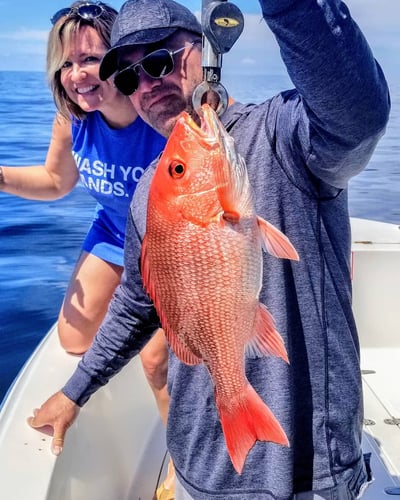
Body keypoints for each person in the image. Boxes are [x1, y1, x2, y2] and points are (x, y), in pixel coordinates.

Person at [28, 0, 390, 498]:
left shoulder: (283, 135)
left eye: (158, 60)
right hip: (199, 462)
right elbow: (137, 303)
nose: (148, 84)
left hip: (306, 467)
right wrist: (75, 392)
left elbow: (357, 114)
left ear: (204, 52)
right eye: (130, 79)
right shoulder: (150, 189)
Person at [0, 0, 172, 485]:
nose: (76, 74)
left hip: (171, 248)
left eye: (90, 58)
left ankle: (183, 457)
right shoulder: (72, 120)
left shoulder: (158, 112)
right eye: (67, 62)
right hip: (115, 236)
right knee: (74, 338)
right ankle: (137, 323)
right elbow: (56, 182)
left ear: (121, 57)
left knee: (156, 361)